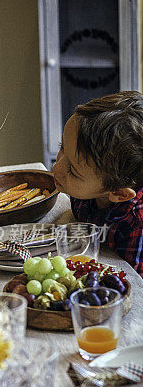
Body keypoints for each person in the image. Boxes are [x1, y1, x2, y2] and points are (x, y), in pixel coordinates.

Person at [52, 91, 143, 275]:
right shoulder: (86, 190)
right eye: (61, 147)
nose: (56, 168)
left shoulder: (136, 224)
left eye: (73, 171)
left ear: (119, 194)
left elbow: (133, 289)